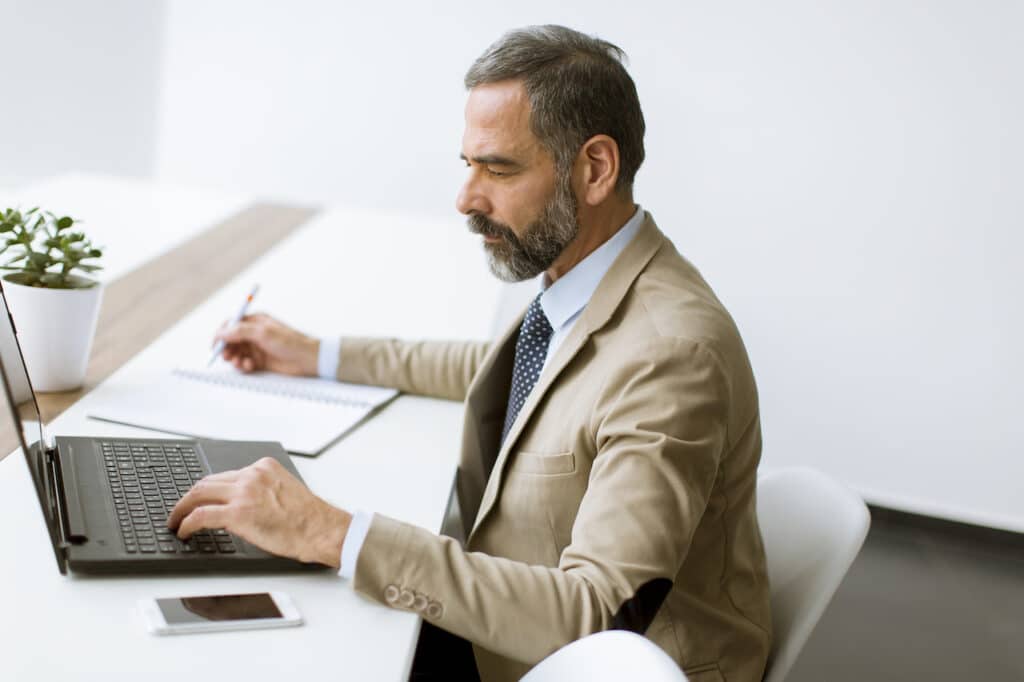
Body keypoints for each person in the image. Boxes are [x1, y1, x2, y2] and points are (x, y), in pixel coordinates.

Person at [169, 25, 771, 682]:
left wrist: (333, 533)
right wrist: (316, 353)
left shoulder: (671, 354)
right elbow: (505, 373)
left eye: (500, 168)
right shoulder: (588, 277)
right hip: (514, 624)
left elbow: (594, 614)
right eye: (468, 164)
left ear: (595, 168)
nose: (466, 198)